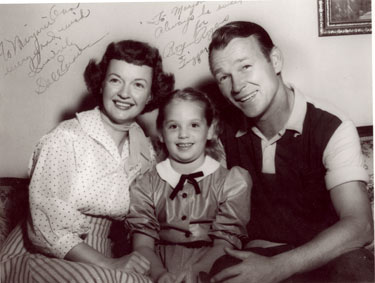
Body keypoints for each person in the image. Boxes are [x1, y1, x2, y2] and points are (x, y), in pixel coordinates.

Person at [207, 21, 374, 282]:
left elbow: (360, 225)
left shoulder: (332, 127)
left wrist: (280, 267)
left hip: (327, 254)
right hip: (259, 255)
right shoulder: (220, 132)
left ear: (275, 60)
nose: (237, 86)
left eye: (245, 67)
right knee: (222, 271)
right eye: (223, 77)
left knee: (356, 269)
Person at [0, 39, 174, 283]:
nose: (125, 93)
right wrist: (110, 264)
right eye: (115, 80)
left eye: (138, 84)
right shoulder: (66, 137)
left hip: (99, 259)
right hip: (39, 256)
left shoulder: (146, 150)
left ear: (150, 95)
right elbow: (45, 230)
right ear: (101, 84)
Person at [126, 88, 252, 283]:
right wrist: (159, 274)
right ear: (161, 132)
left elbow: (225, 243)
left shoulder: (231, 182)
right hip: (156, 267)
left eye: (194, 125)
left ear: (211, 130)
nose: (183, 134)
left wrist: (198, 270)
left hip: (211, 267)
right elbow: (142, 246)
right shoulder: (146, 184)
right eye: (173, 126)